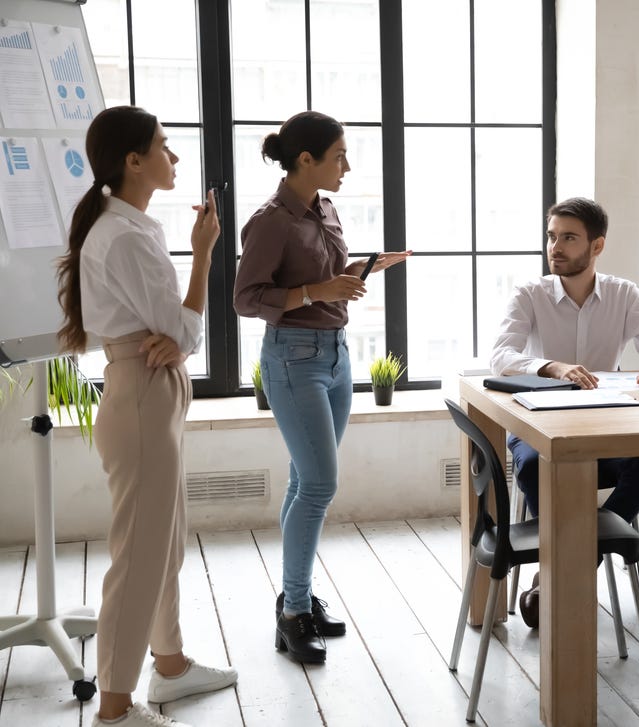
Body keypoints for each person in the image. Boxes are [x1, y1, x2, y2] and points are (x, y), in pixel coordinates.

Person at [56, 106, 236, 727]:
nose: (174, 156)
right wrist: (204, 254)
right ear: (134, 161)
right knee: (139, 555)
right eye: (163, 145)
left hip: (150, 388)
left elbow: (174, 334)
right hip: (141, 391)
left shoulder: (128, 226)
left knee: (163, 541)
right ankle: (114, 707)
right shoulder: (126, 236)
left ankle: (171, 665)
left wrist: (175, 340)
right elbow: (181, 332)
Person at [233, 111, 410, 663]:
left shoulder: (325, 208)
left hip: (336, 355)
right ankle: (293, 614)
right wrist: (317, 292)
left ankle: (298, 596)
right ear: (305, 159)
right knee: (318, 486)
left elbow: (323, 280)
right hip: (293, 360)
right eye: (339, 156)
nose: (347, 167)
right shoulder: (270, 221)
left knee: (303, 482)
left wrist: (360, 270)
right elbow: (245, 299)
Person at [491, 196, 639, 627]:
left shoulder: (623, 294)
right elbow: (500, 357)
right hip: (538, 425)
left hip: (604, 427)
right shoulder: (530, 294)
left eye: (569, 238)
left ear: (597, 246)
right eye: (551, 236)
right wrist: (552, 366)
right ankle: (571, 565)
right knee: (533, 468)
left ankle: (566, 568)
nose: (555, 247)